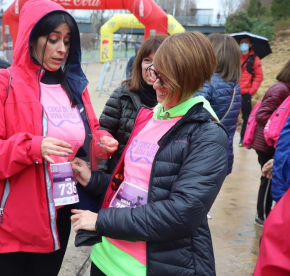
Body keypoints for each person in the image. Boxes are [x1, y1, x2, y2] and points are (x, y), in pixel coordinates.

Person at [0, 1, 117, 275]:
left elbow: (87, 131)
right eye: (53, 39)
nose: (62, 49)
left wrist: (101, 141)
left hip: (57, 216)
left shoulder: (74, 87)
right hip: (5, 222)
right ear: (31, 38)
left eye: (67, 41)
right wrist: (31, 146)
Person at [71, 32, 229, 276]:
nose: (155, 85)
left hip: (149, 266)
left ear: (188, 78)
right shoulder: (150, 117)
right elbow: (130, 184)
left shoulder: (207, 135)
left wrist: (101, 221)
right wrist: (93, 179)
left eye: (165, 80)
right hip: (106, 255)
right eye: (155, 74)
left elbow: (181, 213)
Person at [99, 35, 167, 174]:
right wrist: (100, 180)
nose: (151, 67)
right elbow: (103, 133)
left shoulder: (173, 100)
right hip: (118, 177)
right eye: (147, 60)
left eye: (159, 61)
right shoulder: (122, 94)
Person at [195, 33, 242, 175]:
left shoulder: (206, 83)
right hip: (222, 155)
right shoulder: (235, 87)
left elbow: (193, 118)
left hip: (200, 156)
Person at [252, 59, 290, 226]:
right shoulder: (280, 89)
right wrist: (279, 123)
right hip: (267, 144)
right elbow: (262, 116)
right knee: (268, 180)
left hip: (274, 142)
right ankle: (263, 216)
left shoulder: (284, 89)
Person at [238, 36, 263, 147]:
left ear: (250, 44)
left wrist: (251, 91)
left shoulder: (254, 59)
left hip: (246, 94)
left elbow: (259, 76)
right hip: (234, 92)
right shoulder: (235, 57)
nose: (243, 44)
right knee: (231, 116)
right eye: (242, 42)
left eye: (246, 42)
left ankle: (243, 139)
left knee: (246, 117)